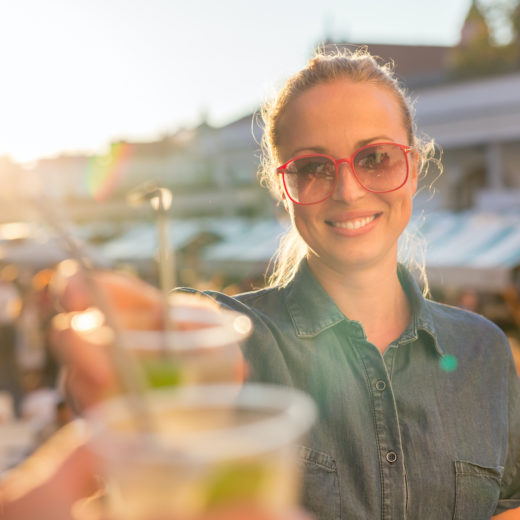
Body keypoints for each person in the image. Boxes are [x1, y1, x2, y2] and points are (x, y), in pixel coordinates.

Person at [14, 48, 520, 518]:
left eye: (375, 158)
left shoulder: (485, 352)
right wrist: (140, 364)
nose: (348, 189)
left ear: (413, 167)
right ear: (283, 187)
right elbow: (173, 364)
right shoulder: (234, 338)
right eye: (313, 168)